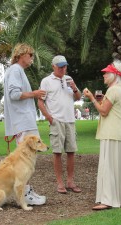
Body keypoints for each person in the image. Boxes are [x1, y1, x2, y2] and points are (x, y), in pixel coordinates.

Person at [83, 60, 121, 210]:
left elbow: (104, 111)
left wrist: (91, 98)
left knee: (110, 167)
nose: (104, 76)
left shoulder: (113, 90)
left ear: (115, 75)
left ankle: (108, 200)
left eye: (106, 73)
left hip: (113, 134)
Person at [3, 43, 47, 205]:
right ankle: (24, 193)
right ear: (21, 55)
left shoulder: (17, 71)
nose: (32, 59)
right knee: (25, 159)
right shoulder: (15, 70)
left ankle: (25, 190)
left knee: (27, 158)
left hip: (23, 120)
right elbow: (14, 94)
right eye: (30, 55)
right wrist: (34, 94)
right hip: (23, 121)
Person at [38, 55, 82, 194]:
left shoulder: (69, 79)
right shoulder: (46, 81)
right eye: (60, 66)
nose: (63, 69)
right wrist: (49, 118)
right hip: (56, 121)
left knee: (71, 152)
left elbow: (78, 97)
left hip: (70, 120)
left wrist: (74, 88)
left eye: (65, 66)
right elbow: (40, 102)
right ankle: (60, 183)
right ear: (53, 67)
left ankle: (70, 181)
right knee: (57, 152)